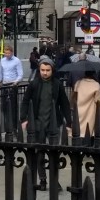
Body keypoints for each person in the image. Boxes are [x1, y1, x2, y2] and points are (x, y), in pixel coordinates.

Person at [19, 56, 72, 191]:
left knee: (54, 153)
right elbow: (25, 101)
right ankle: (42, 179)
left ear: (52, 70)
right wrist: (23, 119)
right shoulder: (34, 84)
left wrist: (69, 123)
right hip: (38, 123)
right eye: (42, 70)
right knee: (40, 154)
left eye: (48, 70)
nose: (45, 73)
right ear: (39, 70)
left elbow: (64, 104)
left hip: (53, 123)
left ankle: (55, 180)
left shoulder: (57, 84)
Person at [0, 46, 24, 133]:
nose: (7, 55)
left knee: (13, 107)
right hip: (4, 84)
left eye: (8, 53)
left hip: (13, 85)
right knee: (4, 107)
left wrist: (16, 82)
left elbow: (20, 74)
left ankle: (14, 127)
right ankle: (7, 125)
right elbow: (0, 72)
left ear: (12, 52)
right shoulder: (2, 60)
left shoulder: (16, 61)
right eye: (5, 53)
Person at [73, 70, 100, 139]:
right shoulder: (96, 84)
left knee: (79, 126)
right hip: (90, 109)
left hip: (79, 108)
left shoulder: (78, 82)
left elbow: (75, 95)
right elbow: (97, 99)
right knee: (89, 127)